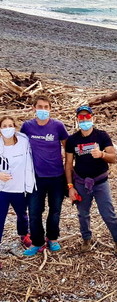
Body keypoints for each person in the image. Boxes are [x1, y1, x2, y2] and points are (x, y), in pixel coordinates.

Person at [65, 106, 117, 255]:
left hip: (100, 182)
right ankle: (86, 239)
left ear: (93, 118)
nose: (84, 120)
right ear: (77, 120)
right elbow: (68, 164)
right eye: (81, 118)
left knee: (108, 213)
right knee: (83, 214)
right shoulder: (72, 140)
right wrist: (70, 186)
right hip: (80, 182)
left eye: (87, 117)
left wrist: (102, 154)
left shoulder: (102, 136)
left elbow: (113, 157)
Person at [22, 95, 69, 256]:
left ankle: (53, 238)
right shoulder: (27, 127)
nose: (43, 110)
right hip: (35, 177)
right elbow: (20, 146)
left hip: (57, 176)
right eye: (39, 107)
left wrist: (69, 169)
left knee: (55, 210)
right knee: (34, 212)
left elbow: (67, 147)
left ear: (50, 109)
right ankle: (37, 242)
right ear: (33, 108)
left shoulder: (58, 126)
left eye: (46, 107)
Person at [0, 116, 35, 249]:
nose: (8, 128)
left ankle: (24, 234)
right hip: (2, 190)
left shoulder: (24, 142)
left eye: (10, 125)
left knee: (22, 214)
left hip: (19, 188)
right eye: (4, 126)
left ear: (15, 127)